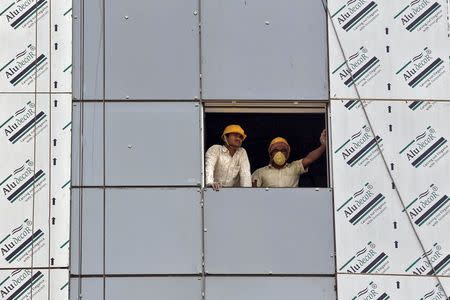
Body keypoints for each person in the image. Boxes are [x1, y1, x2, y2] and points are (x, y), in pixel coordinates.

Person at [252, 130, 327, 188]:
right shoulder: (260, 172)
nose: (279, 152)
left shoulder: (294, 167)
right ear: (271, 154)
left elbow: (310, 158)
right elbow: (252, 193)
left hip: (291, 205)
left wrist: (323, 146)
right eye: (276, 150)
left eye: (283, 150)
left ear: (287, 154)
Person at [205, 124, 252, 190]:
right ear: (225, 137)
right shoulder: (215, 149)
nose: (238, 139)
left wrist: (247, 192)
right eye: (235, 136)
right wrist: (210, 183)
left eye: (241, 137)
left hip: (233, 195)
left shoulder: (242, 152)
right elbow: (209, 167)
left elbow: (245, 175)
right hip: (213, 191)